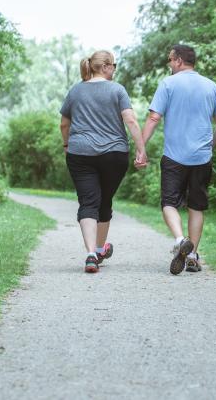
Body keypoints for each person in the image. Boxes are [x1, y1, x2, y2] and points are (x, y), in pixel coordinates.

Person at [140, 45, 216, 275]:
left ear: (179, 61)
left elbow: (153, 117)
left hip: (174, 157)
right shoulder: (211, 85)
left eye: (170, 59)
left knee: (169, 203)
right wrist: (211, 146)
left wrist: (141, 147)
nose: (169, 64)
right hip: (202, 158)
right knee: (196, 206)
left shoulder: (168, 84)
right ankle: (191, 254)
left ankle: (180, 240)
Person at [60, 50, 147, 273]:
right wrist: (141, 149)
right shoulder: (117, 90)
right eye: (114, 66)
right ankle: (99, 250)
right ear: (106, 66)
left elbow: (64, 124)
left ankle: (91, 253)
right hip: (114, 154)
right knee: (104, 199)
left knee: (88, 202)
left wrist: (67, 146)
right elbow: (130, 120)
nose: (115, 70)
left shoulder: (76, 90)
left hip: (80, 154)